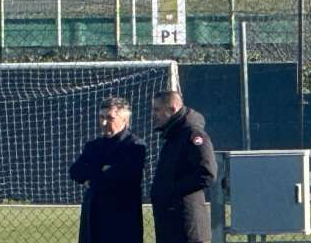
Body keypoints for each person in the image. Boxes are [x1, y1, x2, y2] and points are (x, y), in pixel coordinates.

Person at [69, 97, 145, 243]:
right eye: (101, 117)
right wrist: (101, 170)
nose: (103, 123)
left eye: (110, 118)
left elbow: (122, 179)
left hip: (121, 220)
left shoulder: (134, 146)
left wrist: (92, 175)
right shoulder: (93, 146)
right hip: (92, 217)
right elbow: (75, 172)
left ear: (125, 120)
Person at [150, 91, 217, 243]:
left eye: (157, 109)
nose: (154, 115)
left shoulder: (193, 134)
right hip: (171, 225)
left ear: (172, 109)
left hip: (188, 226)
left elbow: (207, 174)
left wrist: (171, 191)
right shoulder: (174, 136)